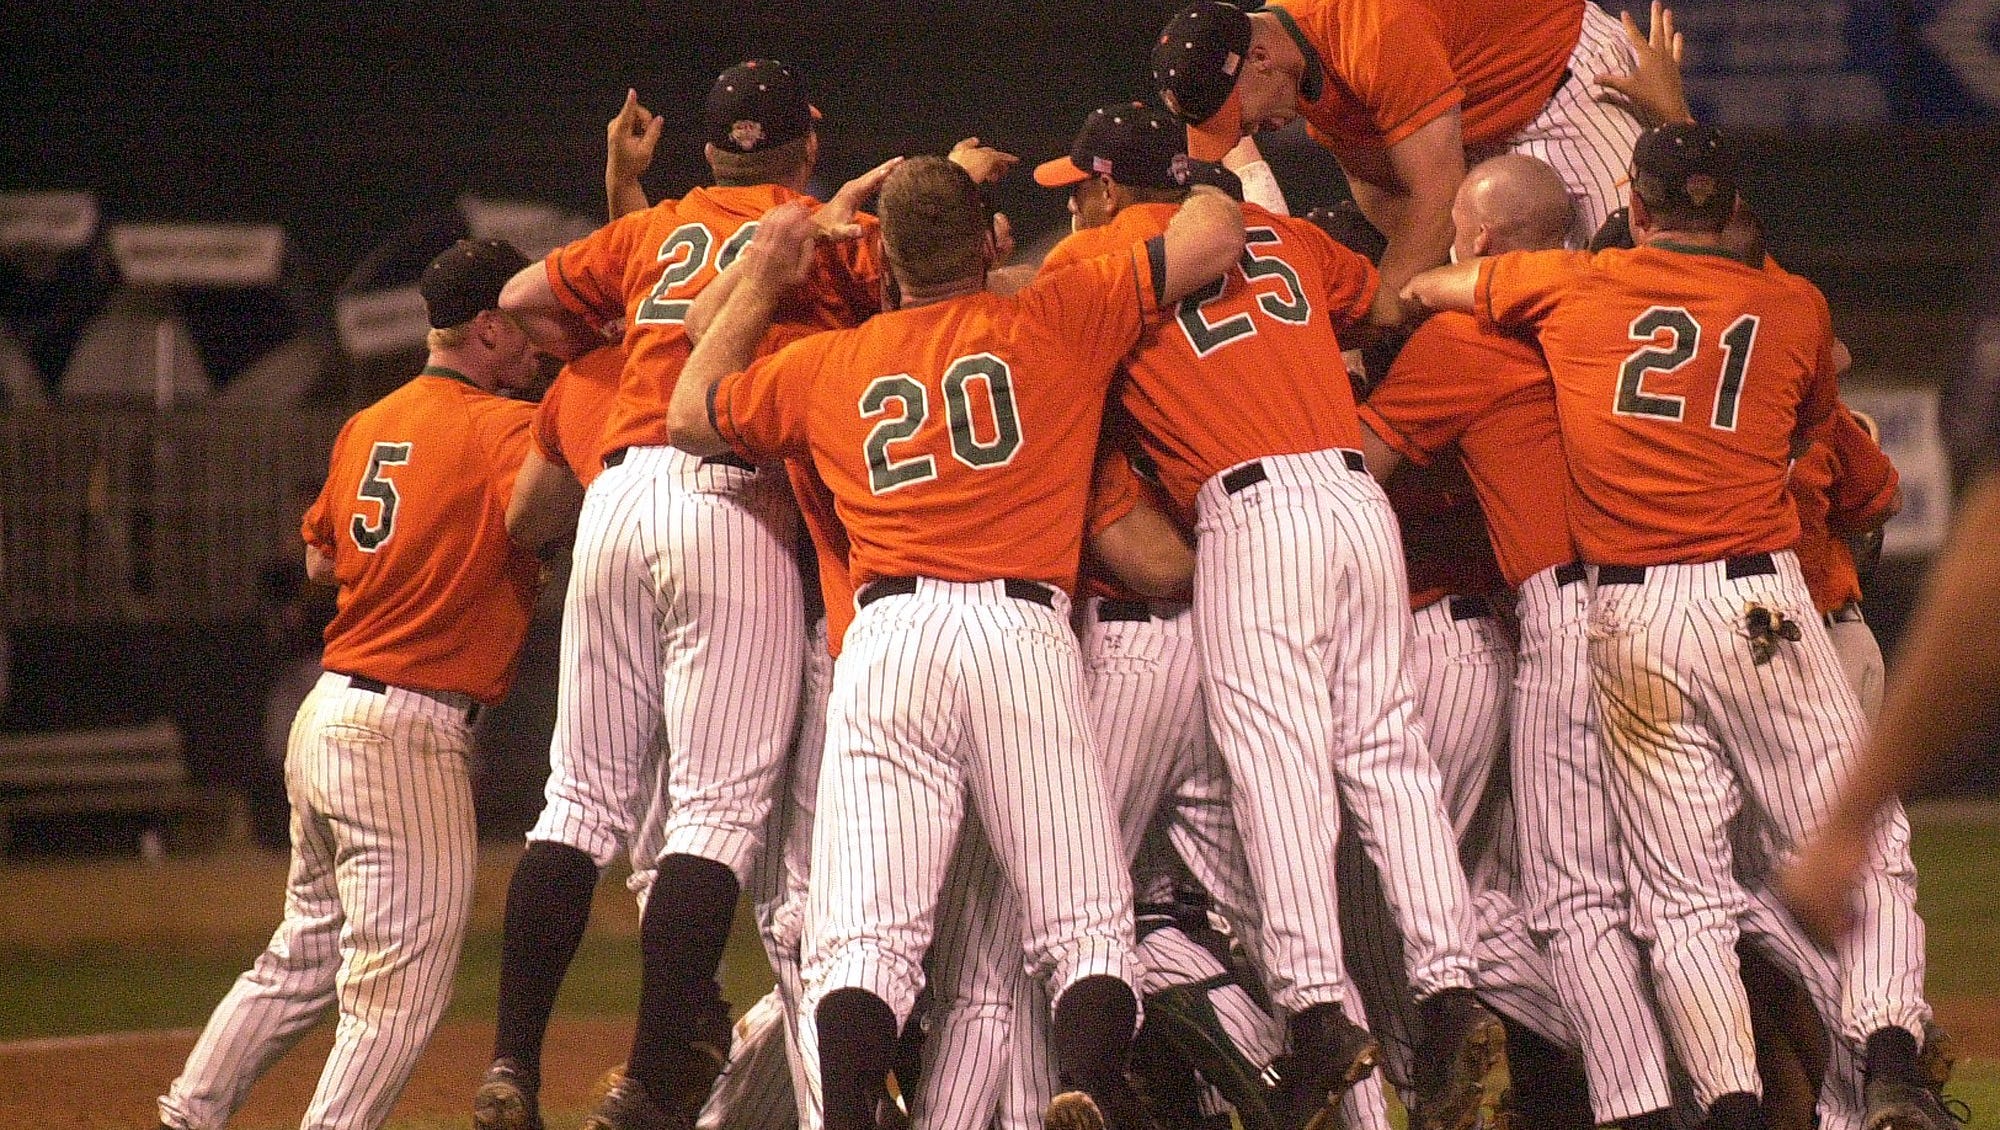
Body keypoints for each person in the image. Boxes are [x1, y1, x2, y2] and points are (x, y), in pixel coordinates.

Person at [666, 157, 1244, 1130]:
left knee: (867, 941)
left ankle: (848, 1110)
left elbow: (689, 408)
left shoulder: (828, 362)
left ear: (883, 257)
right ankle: (1090, 1087)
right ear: (987, 239)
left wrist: (767, 269)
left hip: (888, 641)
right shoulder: (1057, 313)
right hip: (1017, 629)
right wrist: (1202, 167)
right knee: (1083, 921)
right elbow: (1212, 234)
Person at [1404, 122, 1947, 1130]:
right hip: (1757, 600)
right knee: (1854, 837)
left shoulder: (1571, 288)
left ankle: (1730, 1104)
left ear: (1637, 208)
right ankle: (1885, 1062)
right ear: (1723, 206)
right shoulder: (1791, 304)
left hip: (1630, 620)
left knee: (1679, 894)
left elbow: (1438, 288)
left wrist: (1453, 282)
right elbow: (1800, 426)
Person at [1034, 101, 1503, 1130]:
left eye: (1079, 184)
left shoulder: (1096, 261)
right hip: (1351, 497)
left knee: (1276, 760)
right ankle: (1448, 987)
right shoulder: (1282, 234)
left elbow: (1038, 346)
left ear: (1111, 187)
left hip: (1250, 507)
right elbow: (1378, 308)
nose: (1073, 200)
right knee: (1384, 749)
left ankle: (1314, 1012)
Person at [491, 60, 891, 1130]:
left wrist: (626, 322)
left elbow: (521, 299)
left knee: (576, 798)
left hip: (616, 493)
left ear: (710, 152)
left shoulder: (656, 228)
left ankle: (509, 1067)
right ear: (807, 143)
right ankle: (654, 1070)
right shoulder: (815, 229)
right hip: (730, 492)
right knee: (713, 811)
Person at [157, 239, 548, 1130]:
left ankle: (187, 1115)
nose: (537, 346)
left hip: (328, 709)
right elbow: (551, 508)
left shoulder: (369, 422)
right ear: (486, 330)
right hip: (406, 727)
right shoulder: (500, 428)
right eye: (524, 328)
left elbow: (321, 559)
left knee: (301, 956)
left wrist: (423, 551)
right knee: (400, 994)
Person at [1148, 0, 1653, 326]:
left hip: (1558, 76)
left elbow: (1437, 194)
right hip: (1469, 126)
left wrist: (1382, 307)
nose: (1244, 131)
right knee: (1482, 314)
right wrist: (1401, 295)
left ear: (1259, 58)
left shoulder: (1370, 28)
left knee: (1630, 282)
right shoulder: (1295, 69)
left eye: (1238, 115)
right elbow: (1385, 190)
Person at [1781, 463, 2000, 946]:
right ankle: (1879, 1011)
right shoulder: (1814, 418)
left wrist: (1848, 824)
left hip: (1784, 632)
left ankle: (1877, 1014)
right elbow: (1880, 499)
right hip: (1818, 630)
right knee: (1849, 838)